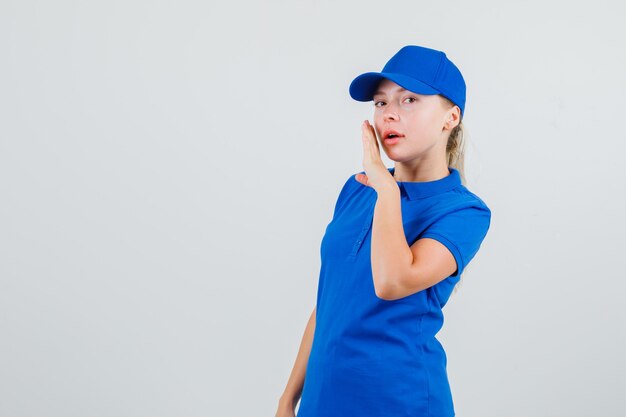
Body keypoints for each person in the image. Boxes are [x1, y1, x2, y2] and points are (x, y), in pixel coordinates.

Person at [275, 45, 492, 417]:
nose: (389, 113)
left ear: (450, 117)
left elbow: (392, 281)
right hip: (323, 403)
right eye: (380, 103)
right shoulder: (357, 189)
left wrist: (387, 189)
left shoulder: (463, 211)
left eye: (409, 100)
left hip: (401, 403)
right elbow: (330, 302)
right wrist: (288, 400)